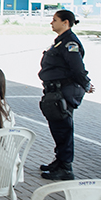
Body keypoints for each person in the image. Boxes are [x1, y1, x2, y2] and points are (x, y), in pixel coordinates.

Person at [38, 10, 94, 181]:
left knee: (63, 128)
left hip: (63, 91)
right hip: (55, 91)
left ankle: (65, 168)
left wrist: (86, 84)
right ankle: (59, 161)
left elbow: (77, 67)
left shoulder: (70, 43)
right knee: (58, 128)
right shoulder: (60, 42)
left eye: (55, 20)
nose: (51, 23)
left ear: (66, 22)